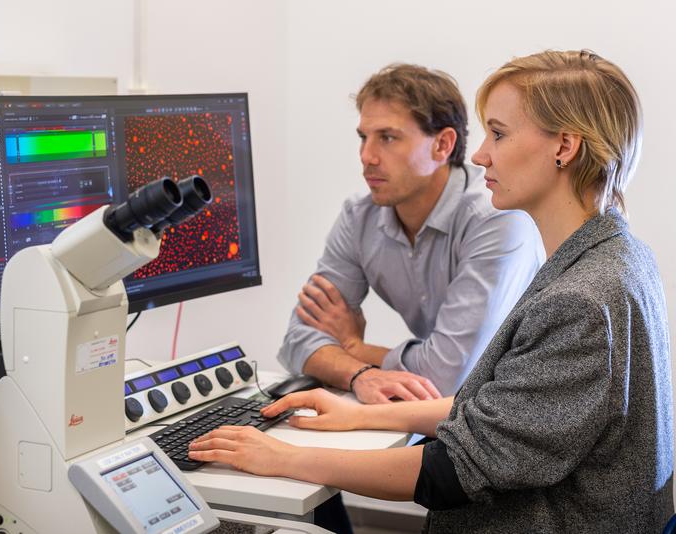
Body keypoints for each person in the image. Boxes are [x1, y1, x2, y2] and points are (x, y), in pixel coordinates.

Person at [190, 50, 674, 533]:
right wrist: (356, 415)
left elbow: (456, 469)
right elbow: (503, 408)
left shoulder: (580, 299)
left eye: (499, 134)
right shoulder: (614, 254)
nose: (482, 153)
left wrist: (287, 457)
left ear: (564, 148)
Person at [277, 63, 543, 403]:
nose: (366, 156)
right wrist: (359, 373)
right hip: (447, 417)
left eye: (387, 138)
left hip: (512, 416)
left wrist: (355, 347)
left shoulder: (496, 218)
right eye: (363, 137)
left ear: (443, 145)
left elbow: (445, 375)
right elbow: (297, 340)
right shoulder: (359, 217)